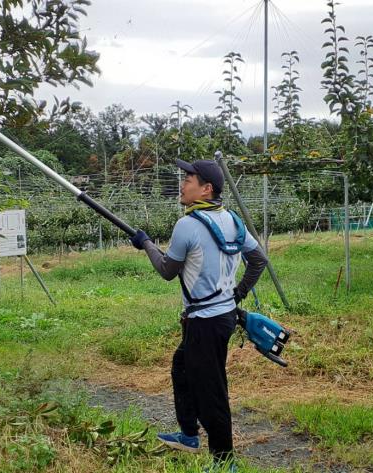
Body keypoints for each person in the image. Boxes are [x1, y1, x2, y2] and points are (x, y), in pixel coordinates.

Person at [130, 158, 268, 470]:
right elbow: (258, 260)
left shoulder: (188, 224)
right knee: (181, 368)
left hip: (205, 323)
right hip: (221, 318)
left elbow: (167, 270)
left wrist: (146, 243)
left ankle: (224, 462)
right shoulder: (232, 220)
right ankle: (189, 435)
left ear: (206, 188)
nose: (182, 184)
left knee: (211, 392)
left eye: (189, 179)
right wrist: (237, 293)